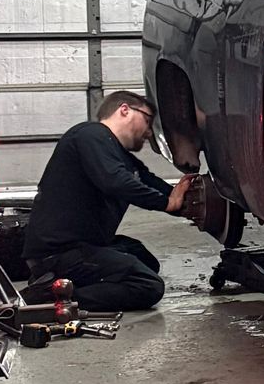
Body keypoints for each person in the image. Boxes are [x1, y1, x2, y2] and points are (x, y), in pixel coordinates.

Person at [23, 90, 191, 312]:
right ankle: (50, 297)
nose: (149, 132)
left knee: (144, 259)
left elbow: (147, 180)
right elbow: (116, 182)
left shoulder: (116, 152)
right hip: (59, 253)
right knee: (148, 285)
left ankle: (67, 284)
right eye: (148, 120)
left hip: (86, 245)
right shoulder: (89, 135)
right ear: (125, 110)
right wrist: (166, 203)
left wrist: (187, 202)